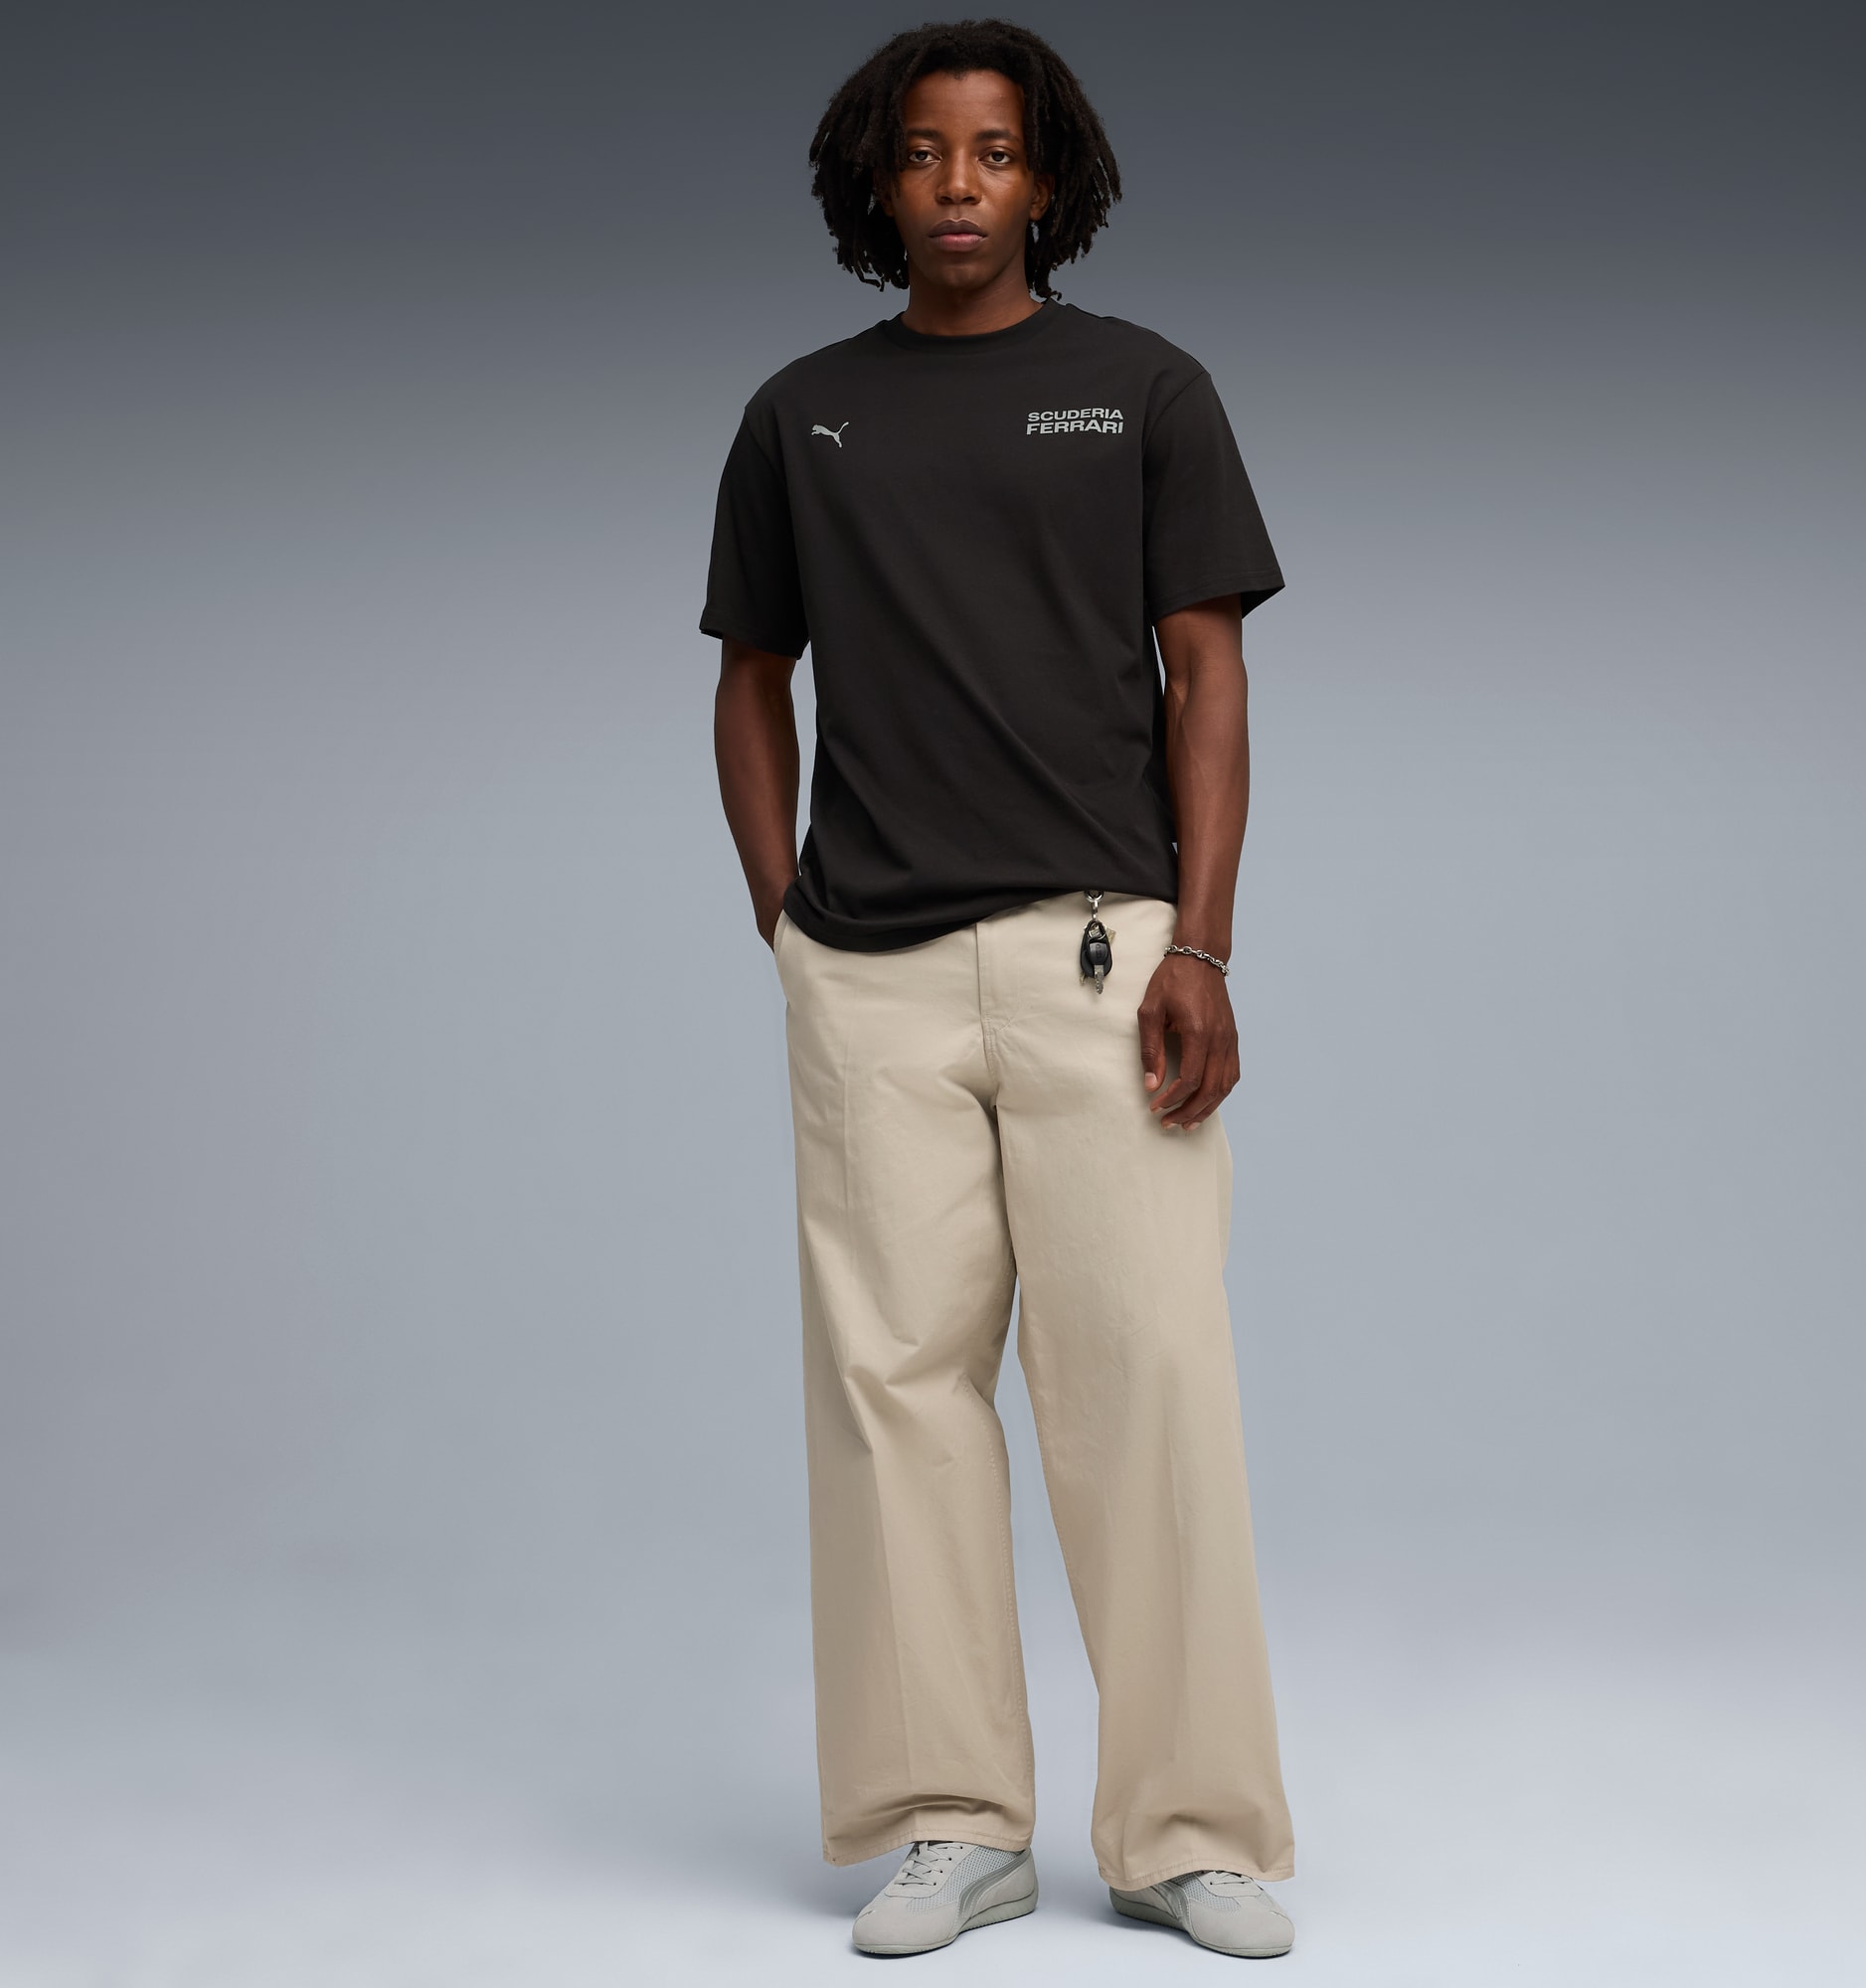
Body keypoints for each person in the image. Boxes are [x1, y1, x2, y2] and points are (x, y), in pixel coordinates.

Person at [702, 18, 1296, 1960]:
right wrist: (784, 926)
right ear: (873, 183)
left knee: (1150, 1382)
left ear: (1051, 180)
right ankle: (949, 1821)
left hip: (1101, 960)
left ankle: (1186, 1831)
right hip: (867, 973)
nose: (957, 184)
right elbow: (749, 679)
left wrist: (1202, 943)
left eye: (994, 151)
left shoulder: (1144, 389)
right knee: (895, 1394)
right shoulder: (802, 415)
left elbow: (1207, 676)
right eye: (922, 153)